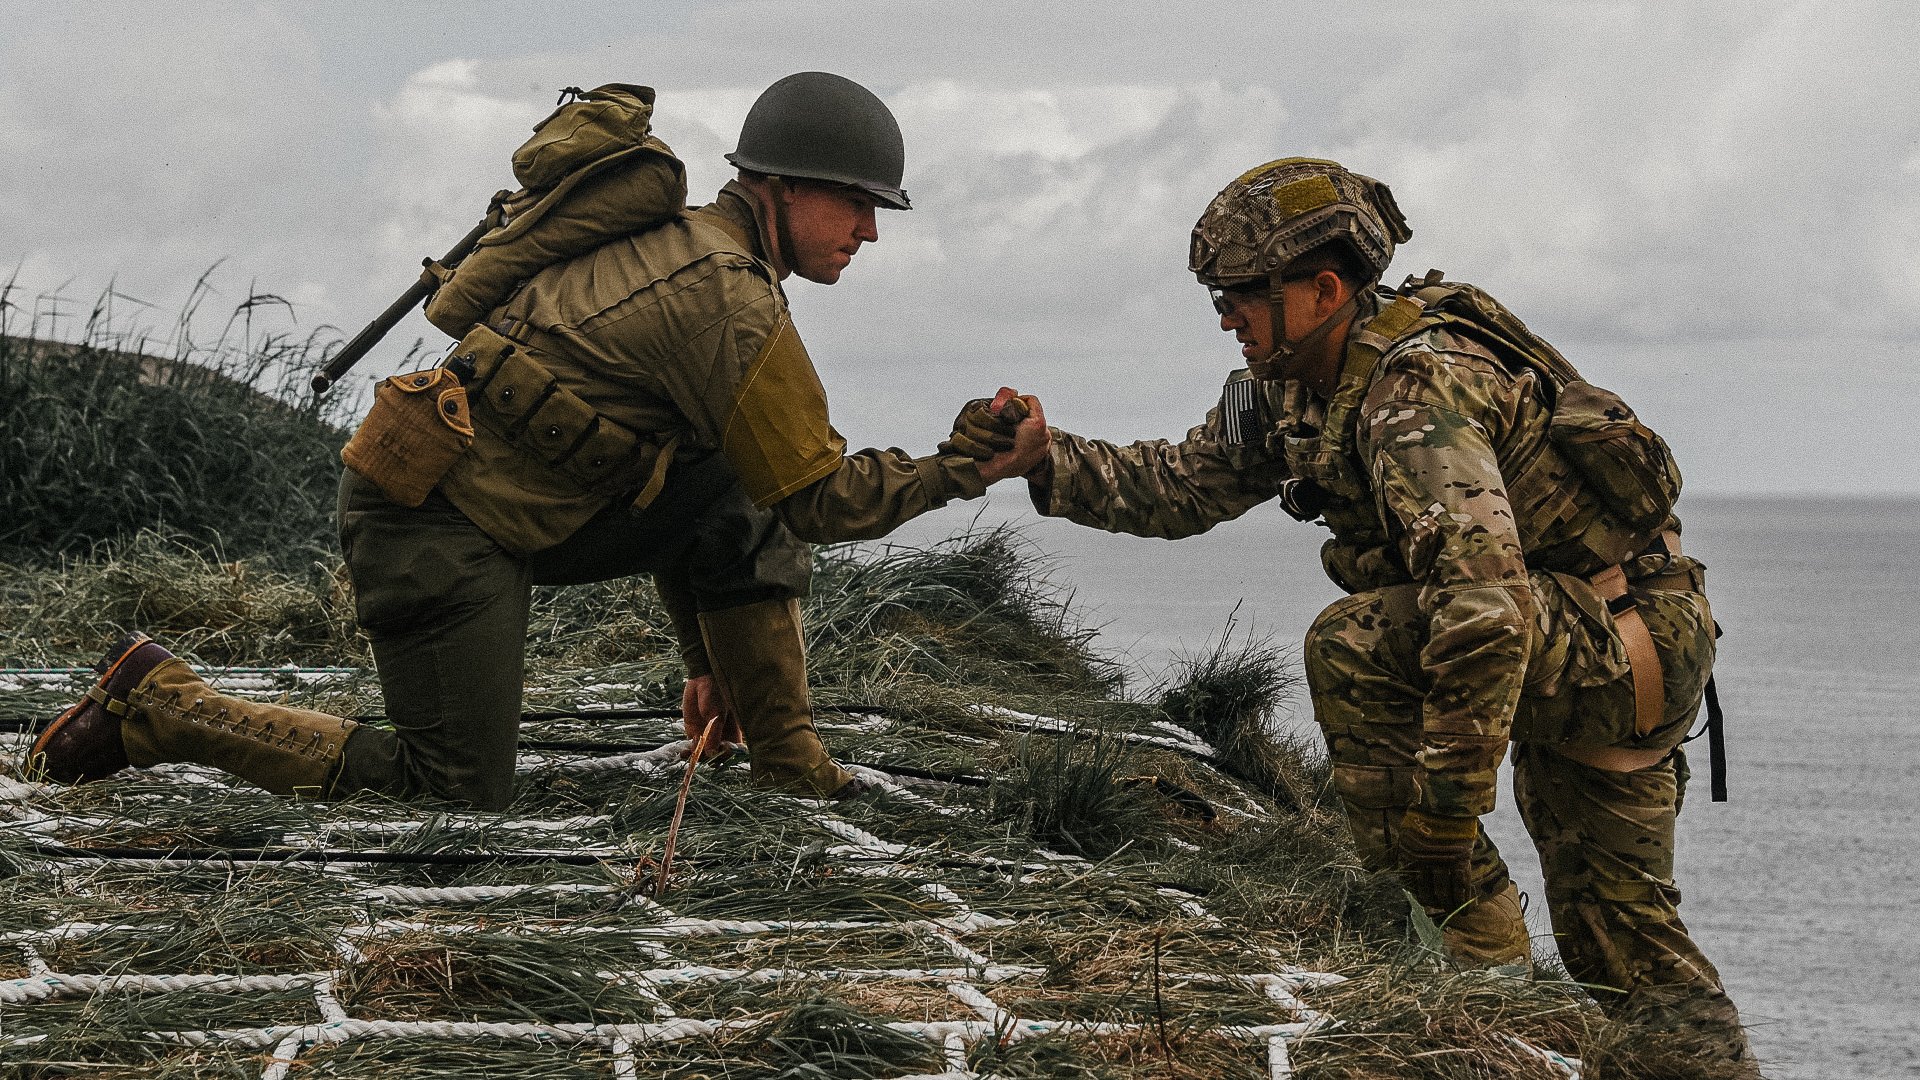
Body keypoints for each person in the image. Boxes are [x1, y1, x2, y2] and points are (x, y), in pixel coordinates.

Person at [33, 71, 1047, 809]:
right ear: (782, 187)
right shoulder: (728, 299)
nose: (869, 231)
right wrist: (967, 466)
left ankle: (787, 756)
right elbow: (822, 500)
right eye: (859, 203)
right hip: (435, 524)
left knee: (739, 485)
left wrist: (711, 658)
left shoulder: (701, 252)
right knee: (454, 787)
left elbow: (722, 491)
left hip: (529, 511)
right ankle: (160, 706)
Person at [1006, 157, 1754, 1065]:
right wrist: (1043, 458)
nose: (1225, 317)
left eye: (1242, 295)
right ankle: (1496, 1001)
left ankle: (1469, 975)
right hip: (1590, 635)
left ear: (1323, 289)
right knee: (1624, 945)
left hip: (1617, 649)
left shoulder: (1414, 395)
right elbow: (1180, 488)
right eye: (1218, 297)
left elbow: (1485, 614)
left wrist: (1439, 825)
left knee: (1355, 645)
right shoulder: (1294, 386)